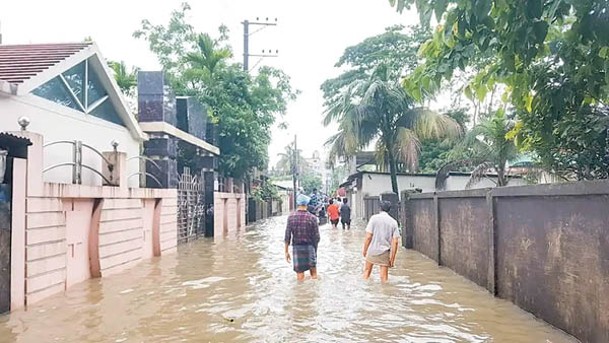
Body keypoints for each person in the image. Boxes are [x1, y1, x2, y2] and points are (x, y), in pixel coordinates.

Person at [362, 201, 400, 283]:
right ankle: (385, 294)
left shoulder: (373, 218)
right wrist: (392, 259)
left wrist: (365, 250)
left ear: (380, 208)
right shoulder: (393, 222)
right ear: (389, 210)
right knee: (384, 278)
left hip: (372, 250)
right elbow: (395, 242)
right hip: (384, 252)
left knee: (366, 272)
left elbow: (368, 236)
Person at [285, 194, 321, 281]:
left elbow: (287, 236)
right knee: (314, 275)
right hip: (310, 247)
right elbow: (317, 237)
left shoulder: (291, 217)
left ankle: (300, 293)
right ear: (307, 204)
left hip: (296, 248)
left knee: (300, 276)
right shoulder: (313, 218)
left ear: (298, 204)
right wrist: (315, 250)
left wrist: (286, 251)